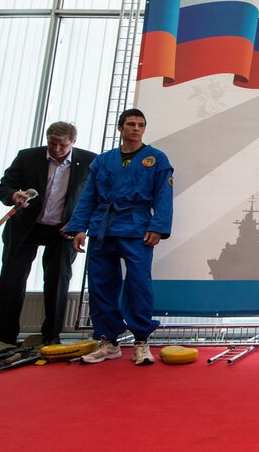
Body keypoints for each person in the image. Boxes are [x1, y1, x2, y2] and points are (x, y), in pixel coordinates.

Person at [65, 109, 173, 366]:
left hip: (137, 227)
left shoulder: (156, 159)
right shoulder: (103, 161)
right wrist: (79, 227)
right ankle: (108, 340)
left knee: (138, 283)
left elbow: (163, 197)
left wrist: (158, 226)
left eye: (141, 125)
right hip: (103, 227)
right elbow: (88, 195)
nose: (136, 129)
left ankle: (140, 340)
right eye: (131, 124)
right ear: (120, 128)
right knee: (101, 284)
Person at [0, 122, 96, 346]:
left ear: (73, 143)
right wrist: (13, 195)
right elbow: (3, 186)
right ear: (47, 139)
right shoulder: (27, 157)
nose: (57, 149)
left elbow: (94, 198)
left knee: (57, 283)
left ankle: (51, 338)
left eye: (62, 145)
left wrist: (78, 224)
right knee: (11, 282)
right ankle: (3, 338)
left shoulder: (89, 161)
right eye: (52, 143)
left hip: (63, 231)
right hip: (25, 227)